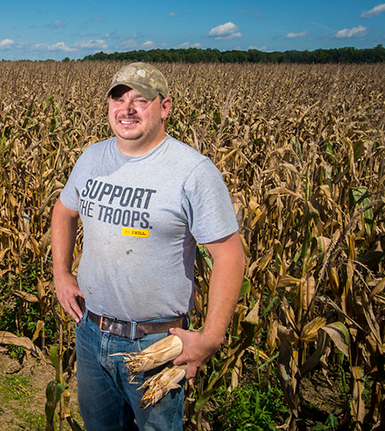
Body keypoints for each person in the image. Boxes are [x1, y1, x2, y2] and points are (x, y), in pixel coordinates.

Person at [51, 62, 246, 430]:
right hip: (91, 333)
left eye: (140, 100)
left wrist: (210, 338)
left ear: (165, 107)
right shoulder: (93, 157)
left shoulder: (192, 171)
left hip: (155, 344)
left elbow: (229, 256)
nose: (127, 109)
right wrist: (61, 272)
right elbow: (63, 211)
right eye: (119, 99)